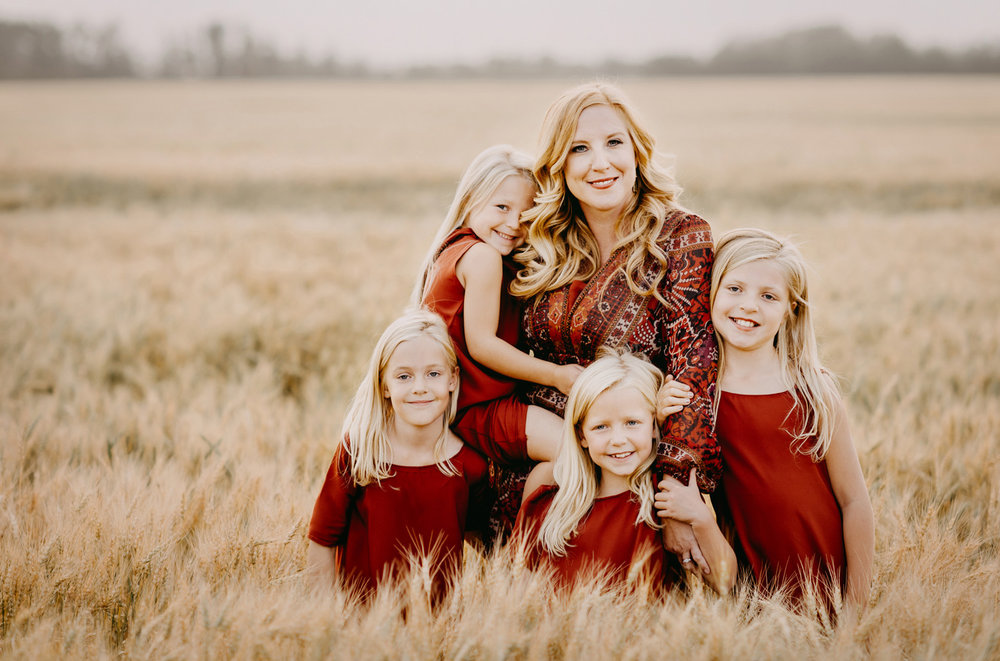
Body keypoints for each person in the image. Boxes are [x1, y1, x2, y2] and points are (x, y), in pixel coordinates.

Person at [511, 82, 721, 566]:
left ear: (637, 150)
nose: (600, 163)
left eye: (613, 143)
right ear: (558, 165)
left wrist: (675, 497)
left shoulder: (681, 235)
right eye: (579, 149)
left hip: (638, 469)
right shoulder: (540, 245)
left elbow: (695, 367)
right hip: (549, 469)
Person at [657, 227, 875, 611]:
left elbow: (854, 500)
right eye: (735, 289)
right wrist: (661, 416)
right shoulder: (693, 395)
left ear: (791, 309)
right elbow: (676, 474)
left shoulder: (813, 390)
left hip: (827, 582)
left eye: (769, 296)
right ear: (710, 292)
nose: (749, 306)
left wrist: (857, 609)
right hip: (748, 589)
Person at [414, 145, 583, 537]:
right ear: (471, 200)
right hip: (476, 407)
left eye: (527, 215)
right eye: (501, 208)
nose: (514, 224)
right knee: (574, 454)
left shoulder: (453, 248)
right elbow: (482, 346)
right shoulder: (483, 257)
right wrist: (557, 376)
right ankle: (523, 545)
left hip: (474, 401)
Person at [306, 309, 492, 597]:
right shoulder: (360, 453)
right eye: (404, 376)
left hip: (438, 633)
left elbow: (480, 540)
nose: (420, 388)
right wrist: (326, 621)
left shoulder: (469, 464)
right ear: (384, 385)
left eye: (433, 373)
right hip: (363, 628)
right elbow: (322, 539)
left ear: (453, 379)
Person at [515, 350, 735, 593]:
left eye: (632, 423)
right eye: (601, 427)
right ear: (581, 435)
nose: (618, 440)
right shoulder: (549, 497)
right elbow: (519, 591)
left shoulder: (666, 497)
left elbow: (725, 582)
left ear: (653, 425)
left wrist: (700, 517)